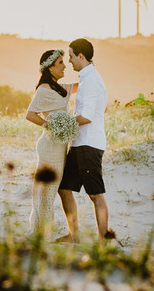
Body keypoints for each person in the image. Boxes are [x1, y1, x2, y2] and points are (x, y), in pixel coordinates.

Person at [57, 38, 110, 242]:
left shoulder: (91, 81)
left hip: (89, 145)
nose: (69, 60)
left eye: (70, 56)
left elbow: (86, 117)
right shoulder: (87, 79)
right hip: (80, 144)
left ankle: (104, 240)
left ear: (81, 56)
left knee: (96, 195)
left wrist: (61, 125)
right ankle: (74, 236)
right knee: (64, 188)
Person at [24, 49, 70, 236]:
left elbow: (80, 85)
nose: (64, 66)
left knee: (51, 191)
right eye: (60, 63)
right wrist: (50, 126)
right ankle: (40, 233)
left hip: (60, 147)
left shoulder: (60, 88)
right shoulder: (43, 89)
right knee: (45, 192)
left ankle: (43, 231)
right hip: (49, 147)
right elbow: (30, 114)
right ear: (50, 67)